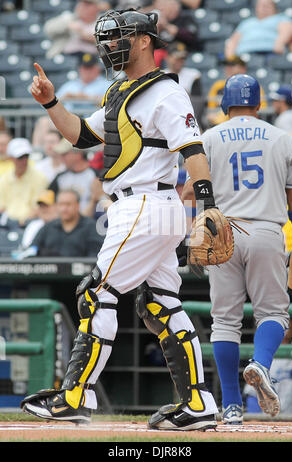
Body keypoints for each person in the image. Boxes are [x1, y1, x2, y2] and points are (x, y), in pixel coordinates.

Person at [21, 8, 222, 430]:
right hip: (145, 208)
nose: (111, 46)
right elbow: (82, 136)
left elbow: (193, 151)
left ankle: (75, 395)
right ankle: (199, 403)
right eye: (108, 39)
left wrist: (207, 205)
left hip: (147, 205)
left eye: (120, 38)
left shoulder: (166, 92)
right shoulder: (121, 90)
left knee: (95, 293)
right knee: (160, 303)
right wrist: (50, 103)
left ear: (145, 40)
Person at [182, 74, 292, 424]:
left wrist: (191, 230)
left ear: (225, 103)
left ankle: (231, 406)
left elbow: (189, 191)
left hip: (223, 231)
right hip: (266, 229)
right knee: (275, 314)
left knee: (225, 323)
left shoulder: (210, 137)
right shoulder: (282, 137)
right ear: (259, 103)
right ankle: (260, 364)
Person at [29, 189, 102, 258]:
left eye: (68, 204)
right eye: (61, 204)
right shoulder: (47, 227)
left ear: (77, 206)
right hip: (50, 271)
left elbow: (96, 257)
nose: (64, 209)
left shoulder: (92, 227)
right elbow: (31, 251)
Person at [206, 55, 267, 127]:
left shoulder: (253, 85)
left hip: (247, 124)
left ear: (243, 68)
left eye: (232, 65)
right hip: (221, 125)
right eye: (227, 65)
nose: (228, 68)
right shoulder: (218, 86)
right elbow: (211, 110)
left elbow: (262, 110)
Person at [0, 138, 48, 226]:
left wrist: (24, 221)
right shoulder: (4, 179)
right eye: (20, 157)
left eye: (26, 156)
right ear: (11, 158)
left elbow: (39, 207)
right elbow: (2, 206)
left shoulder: (40, 178)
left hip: (30, 223)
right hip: (6, 223)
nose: (24, 160)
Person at [225, 0, 292, 58]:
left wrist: (280, 43)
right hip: (243, 55)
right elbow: (233, 41)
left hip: (269, 53)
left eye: (267, 5)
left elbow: (288, 30)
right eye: (261, 5)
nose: (264, 8)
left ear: (274, 7)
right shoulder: (247, 23)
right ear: (256, 7)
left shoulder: (280, 18)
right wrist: (231, 58)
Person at [49, 138, 98, 215]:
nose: (61, 158)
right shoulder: (60, 177)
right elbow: (47, 200)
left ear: (78, 154)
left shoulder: (95, 176)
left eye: (64, 154)